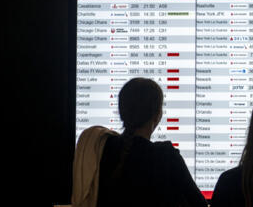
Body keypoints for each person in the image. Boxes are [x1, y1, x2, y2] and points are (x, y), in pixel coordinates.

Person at [72, 78, 208, 207]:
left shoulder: (101, 147)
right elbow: (198, 204)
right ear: (157, 114)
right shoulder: (166, 157)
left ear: (121, 112)